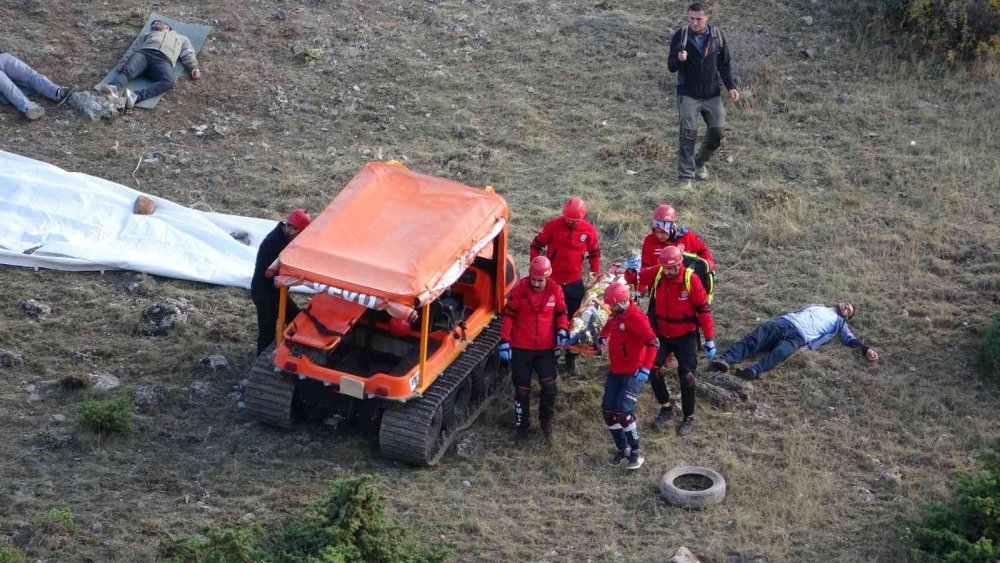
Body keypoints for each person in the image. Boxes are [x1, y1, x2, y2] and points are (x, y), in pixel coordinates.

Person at [631, 246, 715, 436]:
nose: (667, 272)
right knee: (653, 369)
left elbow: (703, 310)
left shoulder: (690, 280)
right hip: (662, 332)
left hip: (685, 335)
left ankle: (688, 417)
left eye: (671, 269)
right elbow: (636, 279)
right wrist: (631, 270)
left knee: (687, 376)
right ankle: (666, 407)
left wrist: (709, 338)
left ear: (679, 265)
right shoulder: (658, 272)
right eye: (665, 268)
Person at [667, 2, 739, 188]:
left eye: (698, 19)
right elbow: (671, 66)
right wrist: (680, 60)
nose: (694, 22)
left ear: (707, 17)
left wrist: (731, 86)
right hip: (688, 94)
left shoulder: (717, 36)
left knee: (717, 132)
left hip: (712, 94)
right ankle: (685, 177)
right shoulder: (680, 36)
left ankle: (699, 163)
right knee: (688, 135)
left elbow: (724, 65)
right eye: (691, 18)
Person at [711, 302, 879, 380]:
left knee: (781, 352)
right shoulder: (818, 305)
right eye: (846, 304)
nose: (846, 307)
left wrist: (866, 349)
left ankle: (753, 371)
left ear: (847, 317)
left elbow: (851, 340)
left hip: (800, 337)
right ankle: (726, 359)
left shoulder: (839, 324)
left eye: (849, 310)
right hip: (786, 323)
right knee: (758, 335)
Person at [500, 256, 569, 443]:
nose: (536, 284)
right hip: (521, 349)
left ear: (547, 277)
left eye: (540, 280)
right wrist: (505, 341)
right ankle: (522, 427)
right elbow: (508, 315)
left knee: (549, 387)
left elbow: (562, 312)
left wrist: (563, 330)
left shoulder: (555, 290)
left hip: (545, 349)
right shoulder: (519, 290)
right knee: (522, 390)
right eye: (533, 279)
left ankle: (546, 422)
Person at [529, 196, 601, 377]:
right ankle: (549, 359)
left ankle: (570, 359)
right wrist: (536, 268)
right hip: (552, 282)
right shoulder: (553, 225)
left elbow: (594, 253)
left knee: (576, 322)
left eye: (575, 220)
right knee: (548, 320)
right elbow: (535, 245)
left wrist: (595, 275)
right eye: (568, 219)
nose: (571, 222)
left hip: (574, 283)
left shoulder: (589, 231)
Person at [596, 282, 658, 470]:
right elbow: (610, 323)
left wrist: (646, 368)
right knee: (608, 411)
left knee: (623, 412)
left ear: (623, 301)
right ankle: (623, 449)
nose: (611, 309)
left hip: (633, 372)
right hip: (616, 370)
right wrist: (603, 336)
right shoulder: (617, 314)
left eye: (613, 306)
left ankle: (636, 452)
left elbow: (653, 343)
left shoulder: (637, 318)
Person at [100, 19, 201, 110]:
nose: (154, 25)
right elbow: (134, 48)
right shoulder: (148, 34)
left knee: (170, 80)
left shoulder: (182, 38)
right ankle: (111, 90)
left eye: (157, 23)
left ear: (167, 26)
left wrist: (193, 67)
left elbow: (187, 53)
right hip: (144, 54)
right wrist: (124, 60)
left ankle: (134, 97)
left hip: (163, 60)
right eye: (152, 25)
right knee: (128, 70)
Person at [251, 209, 312, 355]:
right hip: (264, 292)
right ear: (292, 228)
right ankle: (261, 361)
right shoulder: (272, 243)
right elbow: (274, 274)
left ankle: (288, 350)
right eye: (299, 233)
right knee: (267, 330)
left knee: (296, 318)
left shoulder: (285, 237)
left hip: (277, 291)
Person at [0, 53, 74, 120]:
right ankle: (29, 108)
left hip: (2, 57)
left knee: (30, 74)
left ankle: (57, 92)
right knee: (9, 87)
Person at [640, 204, 715, 269]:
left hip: (683, 282)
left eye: (663, 232)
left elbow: (703, 251)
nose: (659, 236)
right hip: (659, 283)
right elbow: (645, 266)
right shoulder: (649, 240)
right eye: (656, 231)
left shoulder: (686, 236)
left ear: (672, 227)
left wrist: (708, 265)